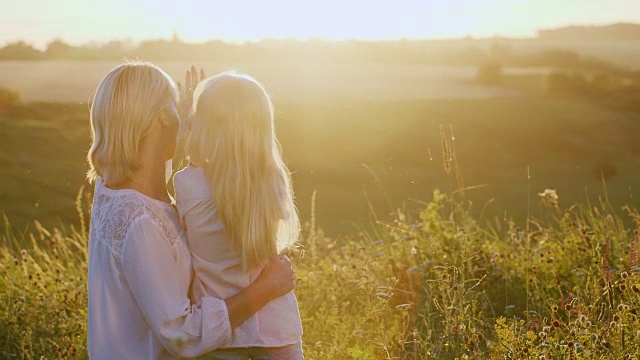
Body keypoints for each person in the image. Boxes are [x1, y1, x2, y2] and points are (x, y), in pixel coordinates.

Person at [86, 61, 296, 359]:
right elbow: (181, 334)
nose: (183, 120)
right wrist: (265, 288)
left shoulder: (114, 190)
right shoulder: (140, 221)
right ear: (161, 118)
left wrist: (186, 125)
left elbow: (158, 167)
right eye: (173, 108)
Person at [174, 71, 303, 359]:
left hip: (223, 335)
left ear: (204, 126)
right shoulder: (272, 182)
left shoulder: (189, 184)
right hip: (278, 335)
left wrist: (186, 124)